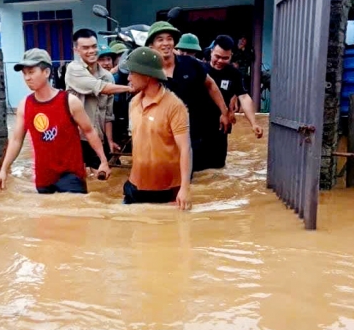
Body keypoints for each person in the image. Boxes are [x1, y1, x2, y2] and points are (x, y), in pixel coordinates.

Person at [0, 48, 111, 194]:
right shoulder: (24, 106)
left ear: (46, 72)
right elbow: (16, 140)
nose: (27, 78)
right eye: (24, 73)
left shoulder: (69, 101)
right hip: (44, 178)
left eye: (31, 72)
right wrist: (4, 170)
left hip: (71, 176)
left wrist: (103, 161)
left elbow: (89, 131)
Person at [145, 21, 231, 173]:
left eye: (169, 38)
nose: (166, 43)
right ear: (151, 45)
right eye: (160, 39)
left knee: (194, 178)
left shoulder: (191, 64)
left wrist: (224, 112)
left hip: (193, 133)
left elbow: (211, 85)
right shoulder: (147, 73)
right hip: (164, 138)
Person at [123, 47, 192, 210]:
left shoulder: (175, 106)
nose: (128, 78)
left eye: (132, 73)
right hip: (135, 187)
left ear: (147, 76)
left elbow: (185, 149)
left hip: (166, 190)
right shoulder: (133, 103)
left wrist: (185, 188)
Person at [65, 29, 132, 172]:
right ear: (76, 50)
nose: (91, 51)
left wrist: (110, 142)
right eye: (85, 48)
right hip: (76, 137)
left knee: (102, 182)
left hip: (97, 137)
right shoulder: (73, 69)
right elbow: (99, 87)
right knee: (79, 180)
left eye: (93, 46)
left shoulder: (107, 76)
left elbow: (107, 115)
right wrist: (129, 88)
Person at [201, 35, 263, 169]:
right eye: (217, 56)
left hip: (221, 126)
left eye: (225, 58)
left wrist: (253, 123)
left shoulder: (233, 73)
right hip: (198, 126)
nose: (220, 61)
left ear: (231, 56)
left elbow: (244, 97)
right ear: (211, 51)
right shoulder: (200, 69)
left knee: (217, 169)